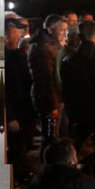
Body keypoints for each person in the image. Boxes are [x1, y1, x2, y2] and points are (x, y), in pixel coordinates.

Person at [59, 20, 95, 148]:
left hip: (77, 113)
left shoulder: (68, 60)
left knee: (80, 149)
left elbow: (66, 90)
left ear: (79, 37)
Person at [29, 14, 69, 154]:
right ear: (50, 30)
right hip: (50, 101)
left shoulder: (55, 46)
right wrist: (52, 106)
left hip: (58, 98)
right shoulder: (42, 49)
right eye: (61, 30)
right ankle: (49, 163)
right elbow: (45, 81)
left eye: (66, 30)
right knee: (50, 136)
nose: (65, 33)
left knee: (58, 134)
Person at [5, 17, 35, 182]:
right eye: (15, 32)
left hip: (25, 109)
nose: (19, 35)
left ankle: (21, 177)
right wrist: (10, 117)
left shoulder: (18, 54)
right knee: (15, 149)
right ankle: (12, 182)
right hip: (14, 113)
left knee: (23, 146)